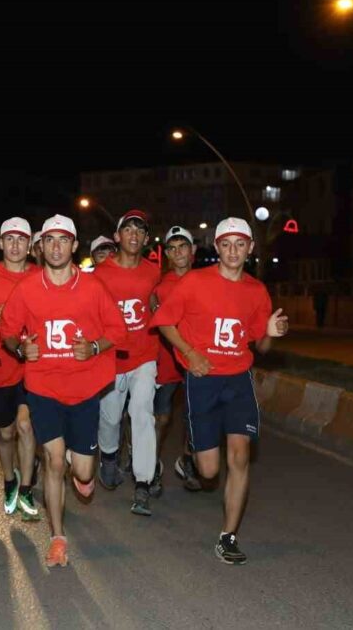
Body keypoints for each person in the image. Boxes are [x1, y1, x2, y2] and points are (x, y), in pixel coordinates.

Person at [153, 217, 288, 565]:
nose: (232, 251)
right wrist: (190, 353)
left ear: (250, 249)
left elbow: (263, 346)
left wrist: (271, 330)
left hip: (238, 379)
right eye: (226, 244)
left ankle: (228, 536)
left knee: (240, 456)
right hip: (203, 378)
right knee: (210, 471)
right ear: (217, 247)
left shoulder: (256, 290)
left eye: (240, 244)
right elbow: (165, 322)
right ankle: (191, 459)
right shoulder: (195, 282)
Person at [0, 214, 126, 566]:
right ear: (40, 248)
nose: (56, 247)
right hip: (43, 388)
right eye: (49, 240)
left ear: (74, 246)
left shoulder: (92, 287)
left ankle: (83, 473)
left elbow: (118, 330)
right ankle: (57, 537)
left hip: (84, 391)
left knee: (82, 472)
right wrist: (21, 349)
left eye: (63, 240)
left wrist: (95, 348)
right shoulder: (25, 289)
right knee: (55, 461)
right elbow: (8, 331)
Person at [0, 217, 42, 521]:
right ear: (0, 243)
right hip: (0, 366)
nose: (15, 245)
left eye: (21, 239)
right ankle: (10, 480)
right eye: (9, 239)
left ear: (30, 245)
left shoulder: (42, 276)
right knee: (5, 431)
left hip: (34, 365)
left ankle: (25, 487)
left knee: (25, 425)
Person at [94, 209, 162, 516]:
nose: (133, 235)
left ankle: (143, 483)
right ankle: (109, 456)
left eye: (140, 231)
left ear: (146, 239)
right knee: (110, 418)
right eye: (128, 229)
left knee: (141, 412)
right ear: (118, 236)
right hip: (111, 359)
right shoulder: (101, 274)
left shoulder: (153, 272)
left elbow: (159, 306)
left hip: (144, 355)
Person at [152, 227, 201, 492]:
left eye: (183, 246)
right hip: (168, 356)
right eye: (172, 248)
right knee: (161, 417)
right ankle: (152, 467)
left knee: (196, 414)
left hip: (197, 357)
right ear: (167, 254)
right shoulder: (159, 287)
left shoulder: (207, 281)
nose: (177, 251)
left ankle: (187, 459)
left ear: (192, 250)